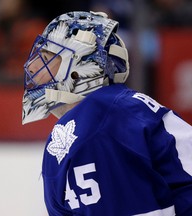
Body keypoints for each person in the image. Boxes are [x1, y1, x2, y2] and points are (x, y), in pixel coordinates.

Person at [21, 11, 192, 215]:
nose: (32, 66)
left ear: (79, 64)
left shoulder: (97, 123)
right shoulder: (108, 113)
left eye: (47, 56)